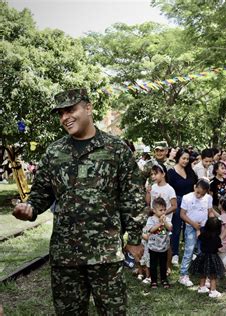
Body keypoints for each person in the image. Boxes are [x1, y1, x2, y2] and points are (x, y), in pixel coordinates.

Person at [12, 88, 144, 315]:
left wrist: (134, 238)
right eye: (61, 113)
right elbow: (41, 194)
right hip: (66, 257)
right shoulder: (54, 152)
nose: (65, 117)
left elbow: (132, 197)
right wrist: (29, 209)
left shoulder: (116, 149)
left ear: (88, 108)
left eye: (71, 110)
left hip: (105, 255)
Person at [178, 179, 214, 287]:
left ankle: (204, 275)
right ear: (195, 187)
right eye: (198, 192)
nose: (199, 196)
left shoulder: (208, 198)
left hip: (203, 228)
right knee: (189, 250)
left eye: (202, 194)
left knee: (203, 251)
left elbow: (210, 211)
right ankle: (183, 274)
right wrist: (193, 224)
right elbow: (182, 214)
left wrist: (212, 224)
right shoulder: (187, 198)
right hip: (190, 227)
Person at [167, 149, 197, 267]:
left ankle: (190, 252)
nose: (185, 161)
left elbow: (195, 186)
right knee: (176, 228)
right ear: (178, 158)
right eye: (183, 158)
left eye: (187, 159)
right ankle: (175, 253)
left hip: (190, 202)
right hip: (177, 202)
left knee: (189, 228)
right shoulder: (171, 172)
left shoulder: (190, 171)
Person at [146, 164, 177, 274]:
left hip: (166, 222)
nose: (153, 176)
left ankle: (168, 266)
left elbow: (174, 206)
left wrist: (163, 214)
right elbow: (148, 202)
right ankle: (151, 265)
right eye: (152, 174)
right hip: (154, 221)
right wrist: (148, 192)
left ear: (163, 174)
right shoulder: (153, 187)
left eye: (156, 174)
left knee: (166, 243)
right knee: (152, 240)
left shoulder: (169, 189)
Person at [190, 217, 226, 298]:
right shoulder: (217, 238)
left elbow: (198, 237)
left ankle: (202, 287)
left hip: (202, 256)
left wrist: (198, 229)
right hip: (213, 258)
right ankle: (213, 291)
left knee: (203, 272)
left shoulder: (204, 234)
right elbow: (219, 247)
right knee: (213, 275)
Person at [143, 197, 173, 289]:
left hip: (163, 247)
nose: (163, 212)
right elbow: (151, 230)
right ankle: (154, 281)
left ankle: (164, 279)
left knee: (163, 264)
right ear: (154, 210)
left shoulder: (166, 219)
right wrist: (160, 224)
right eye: (161, 210)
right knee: (153, 265)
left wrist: (165, 222)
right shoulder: (151, 219)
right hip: (153, 247)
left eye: (164, 210)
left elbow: (170, 228)